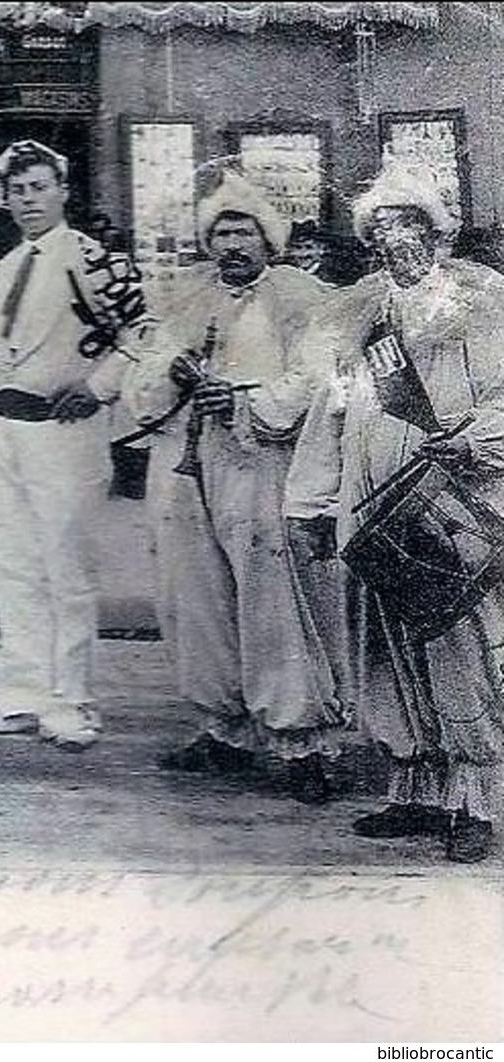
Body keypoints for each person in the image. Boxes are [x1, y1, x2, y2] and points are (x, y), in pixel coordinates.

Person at [286, 162, 504, 863]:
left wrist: (472, 437)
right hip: (372, 505)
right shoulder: (359, 311)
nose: (394, 237)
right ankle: (412, 791)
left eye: (408, 222)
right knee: (386, 653)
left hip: (451, 500)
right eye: (381, 226)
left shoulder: (481, 301)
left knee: (457, 649)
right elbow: (330, 409)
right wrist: (314, 500)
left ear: (437, 232)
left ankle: (474, 804)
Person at [124, 171, 344, 803]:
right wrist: (172, 369)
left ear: (268, 237)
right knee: (196, 595)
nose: (233, 243)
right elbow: (142, 385)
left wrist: (247, 401)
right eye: (221, 232)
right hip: (187, 464)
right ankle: (223, 729)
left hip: (263, 460)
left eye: (244, 229)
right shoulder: (185, 297)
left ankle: (300, 741)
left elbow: (316, 380)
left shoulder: (302, 298)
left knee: (274, 598)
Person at [0, 140, 150, 751]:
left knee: (66, 570)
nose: (28, 200)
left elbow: (142, 330)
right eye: (17, 191)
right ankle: (21, 697)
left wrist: (100, 388)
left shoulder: (93, 258)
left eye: (39, 187)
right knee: (14, 566)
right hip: (10, 430)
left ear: (63, 191)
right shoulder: (11, 264)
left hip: (65, 432)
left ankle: (73, 703)